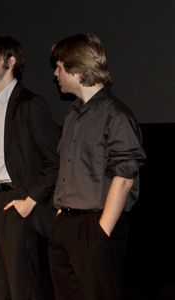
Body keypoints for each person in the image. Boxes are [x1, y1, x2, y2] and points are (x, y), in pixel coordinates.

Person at [48, 33, 146, 300]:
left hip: (95, 226)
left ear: (77, 70)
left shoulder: (116, 115)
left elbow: (125, 177)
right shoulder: (73, 115)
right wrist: (60, 218)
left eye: (59, 67)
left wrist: (101, 231)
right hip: (66, 226)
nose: (55, 74)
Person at [0, 36, 60, 300]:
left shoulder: (30, 104)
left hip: (17, 203)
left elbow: (54, 161)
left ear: (11, 61)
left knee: (21, 288)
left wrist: (29, 200)